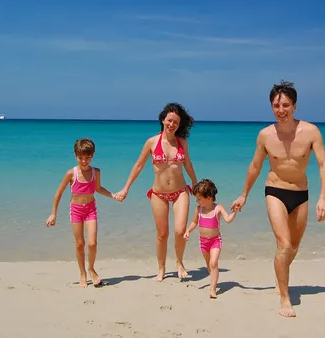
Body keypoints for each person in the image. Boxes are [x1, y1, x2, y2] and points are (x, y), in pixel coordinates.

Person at [231, 80, 325, 317]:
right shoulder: (265, 135)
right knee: (284, 244)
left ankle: (280, 271)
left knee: (293, 247)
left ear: (295, 106)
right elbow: (255, 167)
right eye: (276, 105)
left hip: (301, 193)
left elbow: (323, 164)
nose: (281, 110)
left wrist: (323, 197)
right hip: (275, 190)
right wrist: (244, 194)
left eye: (285, 105)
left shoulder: (311, 131)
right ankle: (285, 299)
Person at [116, 103, 198, 282]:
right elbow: (138, 166)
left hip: (180, 191)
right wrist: (126, 188)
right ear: (163, 120)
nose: (172, 125)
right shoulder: (152, 142)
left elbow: (188, 165)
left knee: (180, 230)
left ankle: (179, 262)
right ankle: (161, 269)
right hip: (158, 194)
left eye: (176, 122)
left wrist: (195, 184)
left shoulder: (182, 142)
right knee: (162, 234)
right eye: (169, 121)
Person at [46, 138, 120, 288]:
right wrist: (53, 213)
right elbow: (58, 193)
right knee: (80, 244)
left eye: (88, 157)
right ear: (75, 156)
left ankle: (91, 269)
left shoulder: (96, 172)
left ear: (92, 156)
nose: (84, 161)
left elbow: (98, 188)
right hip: (76, 211)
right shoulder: (71, 173)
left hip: (91, 209)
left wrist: (113, 195)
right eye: (81, 158)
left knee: (92, 243)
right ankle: (82, 273)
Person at [184, 179, 237, 299]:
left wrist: (235, 212)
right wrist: (188, 230)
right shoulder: (199, 209)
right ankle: (213, 281)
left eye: (199, 199)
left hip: (215, 241)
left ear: (208, 197)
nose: (197, 201)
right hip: (203, 242)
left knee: (213, 263)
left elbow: (228, 219)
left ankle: (213, 289)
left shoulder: (218, 208)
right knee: (209, 265)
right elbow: (194, 222)